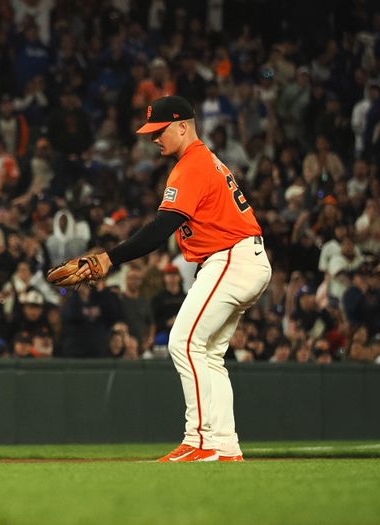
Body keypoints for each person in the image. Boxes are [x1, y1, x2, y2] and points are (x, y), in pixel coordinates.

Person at [53, 96, 271, 462]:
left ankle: (200, 441)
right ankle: (225, 445)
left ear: (183, 125)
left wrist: (110, 257)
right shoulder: (205, 161)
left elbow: (161, 229)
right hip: (244, 258)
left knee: (183, 343)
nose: (154, 138)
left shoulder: (193, 164)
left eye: (160, 130)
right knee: (209, 355)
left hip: (231, 257)